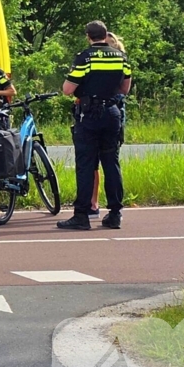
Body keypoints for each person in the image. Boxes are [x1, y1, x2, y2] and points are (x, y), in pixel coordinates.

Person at [57, 21, 132, 231]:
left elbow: (67, 89)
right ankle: (115, 213)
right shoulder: (120, 57)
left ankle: (82, 215)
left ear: (88, 36)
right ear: (104, 34)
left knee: (86, 165)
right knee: (111, 163)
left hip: (90, 115)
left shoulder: (85, 57)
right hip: (112, 113)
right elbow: (125, 88)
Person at [88, 32, 127, 218]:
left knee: (107, 162)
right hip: (109, 115)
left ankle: (112, 208)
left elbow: (124, 91)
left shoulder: (118, 64)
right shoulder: (119, 63)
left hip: (109, 115)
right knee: (96, 164)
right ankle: (94, 204)